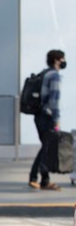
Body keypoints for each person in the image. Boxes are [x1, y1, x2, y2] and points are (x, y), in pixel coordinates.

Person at [28, 49, 66, 191]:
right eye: (62, 59)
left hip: (40, 115)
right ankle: (38, 179)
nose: (63, 62)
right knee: (47, 148)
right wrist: (56, 119)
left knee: (46, 147)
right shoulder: (54, 75)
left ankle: (41, 180)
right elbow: (54, 100)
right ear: (57, 60)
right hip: (48, 117)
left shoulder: (44, 73)